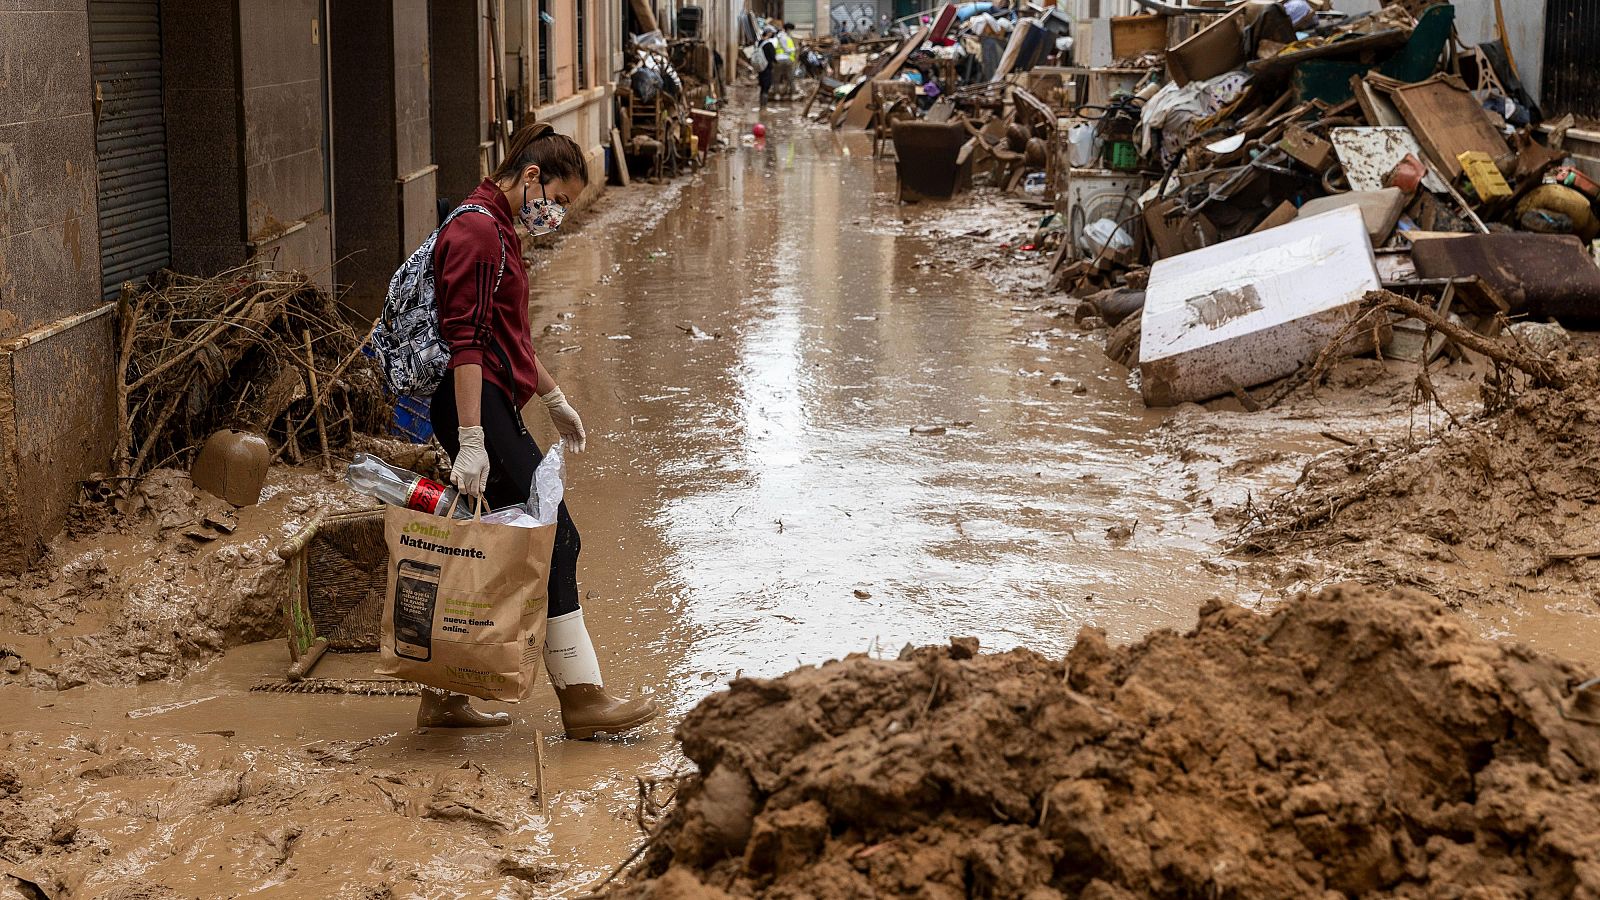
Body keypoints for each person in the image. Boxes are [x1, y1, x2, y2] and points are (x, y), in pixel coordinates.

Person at [421, 122, 660, 740]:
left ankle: (442, 700)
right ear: (532, 176)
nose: (555, 213)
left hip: (492, 401)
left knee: (504, 542)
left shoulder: (500, 227)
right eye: (556, 199)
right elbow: (466, 342)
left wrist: (552, 397)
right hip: (472, 404)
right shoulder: (478, 230)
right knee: (555, 536)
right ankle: (582, 700)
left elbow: (509, 334)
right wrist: (472, 440)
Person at [776, 23, 800, 99]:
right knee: (790, 77)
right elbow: (787, 49)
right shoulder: (784, 37)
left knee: (777, 78)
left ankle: (777, 94)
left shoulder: (779, 36)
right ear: (788, 29)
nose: (791, 32)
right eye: (791, 30)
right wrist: (795, 49)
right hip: (786, 60)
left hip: (778, 60)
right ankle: (792, 94)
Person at [758, 26, 778, 107]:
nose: (773, 34)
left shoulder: (759, 42)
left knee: (762, 86)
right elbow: (773, 57)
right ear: (769, 33)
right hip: (767, 68)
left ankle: (761, 104)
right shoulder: (769, 44)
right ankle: (764, 106)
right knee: (766, 86)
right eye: (772, 33)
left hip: (760, 68)